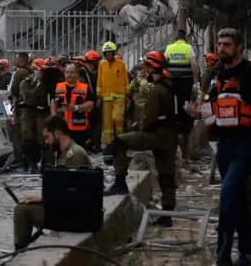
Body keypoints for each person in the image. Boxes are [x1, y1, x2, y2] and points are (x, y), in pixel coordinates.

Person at [186, 28, 251, 265]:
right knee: (238, 198)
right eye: (220, 44)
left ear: (239, 48)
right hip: (223, 144)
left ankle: (222, 256)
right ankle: (246, 248)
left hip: (245, 143)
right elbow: (211, 105)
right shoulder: (217, 72)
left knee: (227, 194)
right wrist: (197, 111)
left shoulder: (248, 73)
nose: (222, 48)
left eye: (227, 44)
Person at [104, 51, 178, 226]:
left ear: (151, 67)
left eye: (146, 66)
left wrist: (140, 126)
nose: (144, 69)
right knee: (167, 176)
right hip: (171, 135)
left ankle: (120, 182)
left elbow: (150, 118)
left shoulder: (155, 90)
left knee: (118, 142)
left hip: (155, 135)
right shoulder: (170, 87)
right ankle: (167, 214)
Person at [12, 115, 91, 250]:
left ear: (58, 133)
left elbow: (75, 195)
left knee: (22, 210)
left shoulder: (74, 155)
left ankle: (20, 251)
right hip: (68, 210)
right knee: (24, 205)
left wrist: (44, 199)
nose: (46, 142)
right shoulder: (65, 153)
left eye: (47, 137)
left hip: (74, 216)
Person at [20, 57, 62, 173]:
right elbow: (29, 98)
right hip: (40, 113)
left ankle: (52, 163)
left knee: (54, 139)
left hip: (57, 113)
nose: (50, 75)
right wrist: (39, 86)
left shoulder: (62, 81)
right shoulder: (33, 82)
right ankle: (40, 164)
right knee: (40, 139)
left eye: (53, 71)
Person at [164, 29, 199, 160]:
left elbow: (164, 63)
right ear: (185, 38)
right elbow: (194, 65)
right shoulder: (188, 48)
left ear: (175, 38)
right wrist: (195, 81)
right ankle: (185, 126)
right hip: (186, 82)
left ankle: (176, 121)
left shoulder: (169, 48)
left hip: (172, 82)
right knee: (185, 103)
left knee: (174, 103)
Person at [52, 63, 95, 149]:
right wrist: (54, 118)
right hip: (62, 127)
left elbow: (91, 104)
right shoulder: (58, 86)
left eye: (72, 72)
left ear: (77, 74)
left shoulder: (84, 87)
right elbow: (53, 102)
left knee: (77, 154)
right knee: (63, 154)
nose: (69, 74)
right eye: (67, 72)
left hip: (79, 128)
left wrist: (76, 108)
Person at [97, 42, 129, 145]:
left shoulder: (121, 64)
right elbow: (99, 80)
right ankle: (108, 144)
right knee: (107, 123)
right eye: (107, 52)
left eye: (111, 52)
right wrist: (99, 95)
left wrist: (127, 93)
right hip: (106, 97)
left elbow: (126, 79)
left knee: (118, 118)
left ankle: (120, 140)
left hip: (119, 96)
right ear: (104, 53)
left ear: (114, 52)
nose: (109, 54)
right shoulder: (102, 65)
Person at [10, 52, 32, 166]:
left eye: (17, 59)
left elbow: (13, 90)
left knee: (20, 135)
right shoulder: (31, 71)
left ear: (20, 59)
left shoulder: (20, 73)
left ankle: (22, 161)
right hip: (30, 108)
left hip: (21, 109)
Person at [85, 50, 102, 152]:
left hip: (97, 101)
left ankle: (96, 144)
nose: (89, 65)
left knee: (96, 124)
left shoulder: (100, 73)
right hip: (88, 102)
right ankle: (89, 144)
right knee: (89, 124)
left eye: (91, 63)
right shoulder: (84, 73)